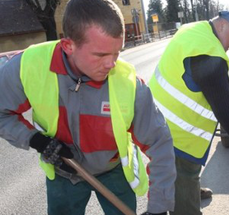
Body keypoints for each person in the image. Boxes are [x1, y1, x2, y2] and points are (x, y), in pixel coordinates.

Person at [0, 0, 175, 214]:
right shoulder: (29, 66)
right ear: (68, 46)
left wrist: (158, 208)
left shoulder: (129, 84)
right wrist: (35, 140)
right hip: (65, 173)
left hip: (113, 171)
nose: (112, 64)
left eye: (117, 53)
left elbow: (160, 143)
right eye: (101, 55)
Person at [149, 11, 229, 215]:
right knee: (184, 172)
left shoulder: (194, 29)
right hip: (175, 132)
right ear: (223, 25)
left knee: (179, 174)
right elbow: (224, 104)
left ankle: (191, 191)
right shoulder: (209, 52)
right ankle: (187, 204)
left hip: (157, 118)